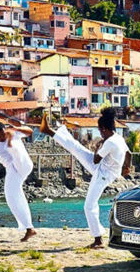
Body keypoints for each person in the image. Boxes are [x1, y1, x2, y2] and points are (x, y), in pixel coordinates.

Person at [41, 107, 131, 249]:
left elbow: (95, 160)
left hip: (102, 173)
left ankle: (98, 240)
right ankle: (49, 131)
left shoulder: (109, 142)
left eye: (100, 131)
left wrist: (98, 146)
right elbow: (129, 153)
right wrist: (127, 167)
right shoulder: (118, 138)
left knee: (89, 206)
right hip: (103, 168)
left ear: (104, 129)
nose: (100, 134)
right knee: (76, 148)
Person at [0, 121, 38, 242]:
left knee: (15, 152)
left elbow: (30, 131)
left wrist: (16, 128)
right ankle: (29, 228)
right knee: (12, 196)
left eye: (2, 135)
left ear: (4, 131)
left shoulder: (13, 132)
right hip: (12, 170)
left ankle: (11, 146)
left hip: (24, 164)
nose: (1, 137)